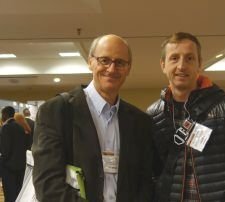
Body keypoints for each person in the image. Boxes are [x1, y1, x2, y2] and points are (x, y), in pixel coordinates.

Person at [32, 34, 153, 202]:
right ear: (90, 62)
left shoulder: (140, 122)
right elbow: (48, 185)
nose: (111, 69)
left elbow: (145, 181)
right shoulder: (57, 111)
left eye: (120, 62)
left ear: (128, 68)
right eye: (104, 60)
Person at [147, 32, 225, 201]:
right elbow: (148, 172)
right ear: (163, 65)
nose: (181, 66)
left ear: (199, 64)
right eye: (174, 58)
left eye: (189, 58)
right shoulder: (153, 114)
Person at [1, 106, 27, 202]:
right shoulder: (20, 127)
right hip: (20, 166)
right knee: (18, 194)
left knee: (9, 194)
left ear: (5, 114)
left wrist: (1, 162)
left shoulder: (5, 128)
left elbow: (5, 150)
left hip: (8, 168)